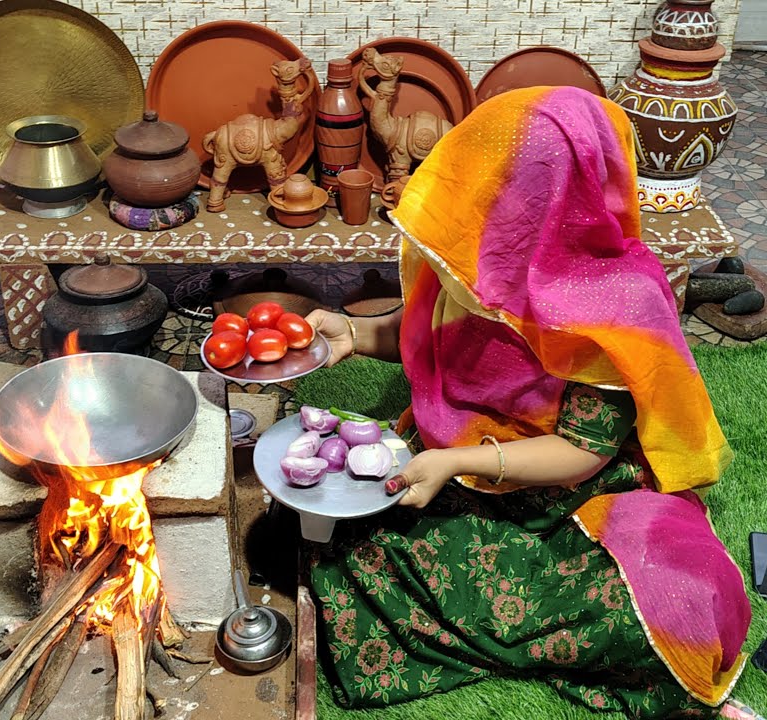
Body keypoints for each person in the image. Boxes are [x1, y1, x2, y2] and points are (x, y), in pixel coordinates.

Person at [303, 86, 752, 719]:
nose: (481, 205)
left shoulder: (619, 304)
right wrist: (353, 333)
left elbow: (582, 451)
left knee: (686, 607)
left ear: (554, 200)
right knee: (349, 533)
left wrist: (458, 462)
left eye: (501, 192)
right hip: (464, 463)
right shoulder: (481, 246)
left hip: (577, 493)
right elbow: (425, 330)